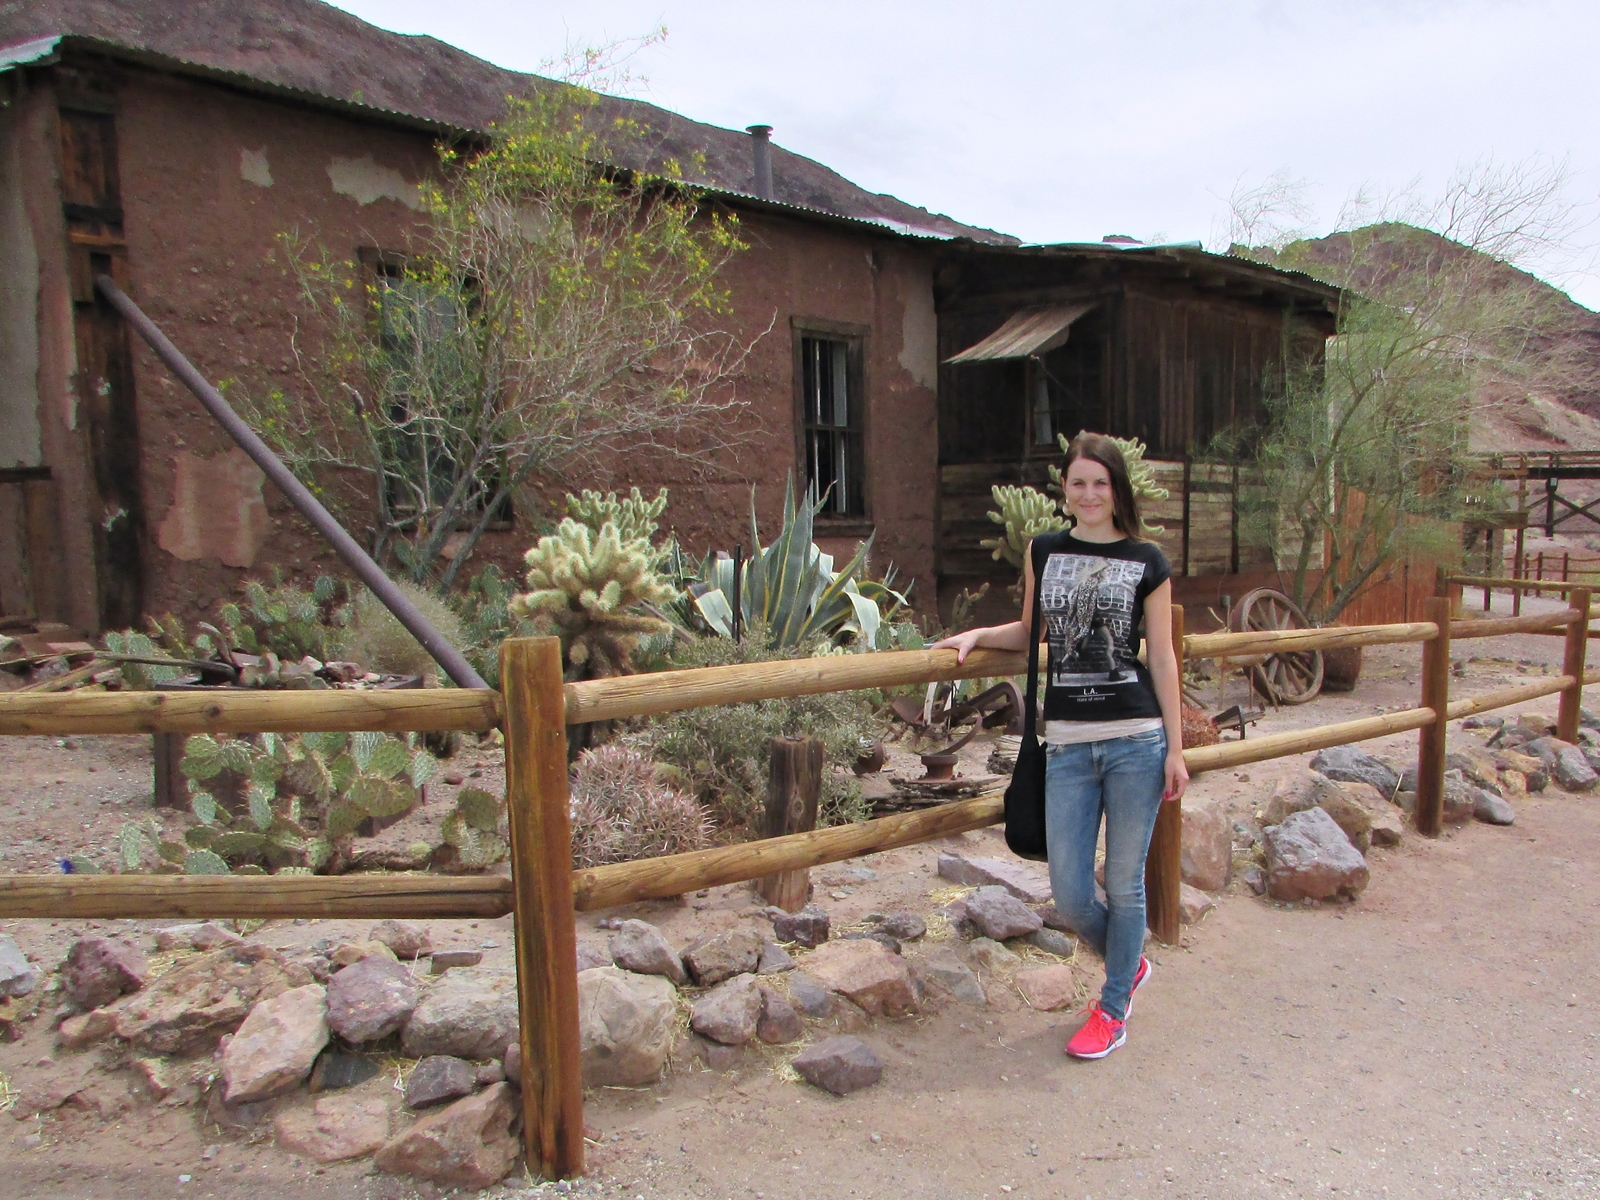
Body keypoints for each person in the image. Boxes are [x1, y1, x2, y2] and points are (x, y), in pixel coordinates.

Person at [933, 431, 1187, 1059]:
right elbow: (1028, 630)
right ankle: (1129, 963)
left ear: (1116, 489)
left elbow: (1163, 658)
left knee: (1125, 885)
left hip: (1136, 740)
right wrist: (976, 635)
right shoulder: (1044, 550)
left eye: (1101, 482)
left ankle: (1113, 1007)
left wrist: (1177, 749)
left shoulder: (1148, 560)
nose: (1089, 493)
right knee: (1071, 895)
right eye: (1078, 482)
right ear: (1066, 491)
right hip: (1068, 747)